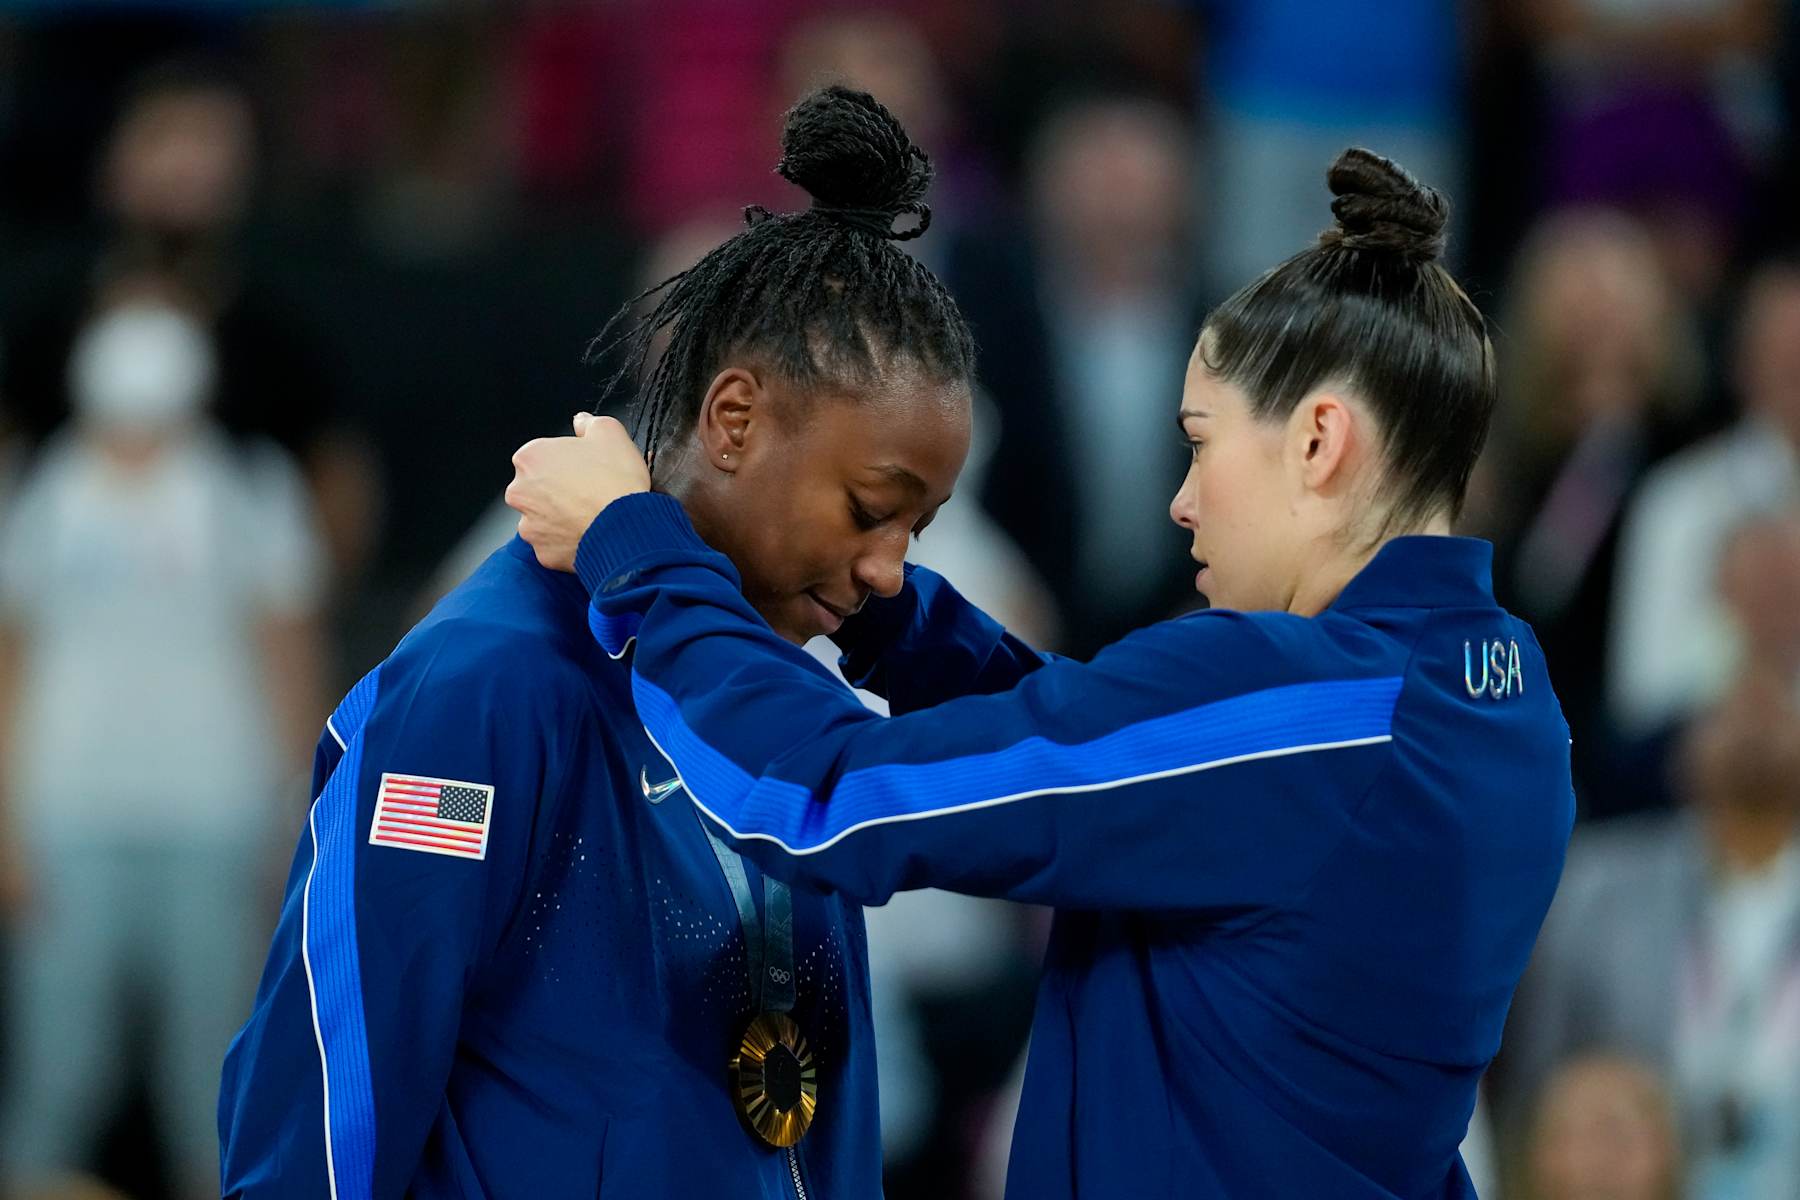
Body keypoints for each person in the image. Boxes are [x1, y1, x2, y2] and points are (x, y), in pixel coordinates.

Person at [508, 148, 1576, 1197]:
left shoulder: (1302, 707)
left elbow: (821, 798)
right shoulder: (1506, 702)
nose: (1182, 501)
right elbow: (1125, 771)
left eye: (1200, 442)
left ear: (1318, 443)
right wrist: (877, 601)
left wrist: (637, 551)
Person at [218, 86, 976, 1199]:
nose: (889, 571)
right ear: (732, 420)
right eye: (870, 508)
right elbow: (334, 1102)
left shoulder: (785, 714)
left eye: (919, 527)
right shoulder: (485, 686)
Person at [0, 278, 327, 1200]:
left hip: (213, 820)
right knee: (57, 1080)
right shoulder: (46, 488)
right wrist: (9, 823)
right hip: (71, 819)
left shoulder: (249, 490)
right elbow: (10, 662)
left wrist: (291, 819)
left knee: (213, 1086)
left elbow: (288, 662)